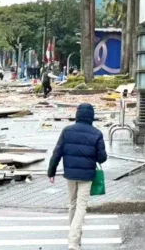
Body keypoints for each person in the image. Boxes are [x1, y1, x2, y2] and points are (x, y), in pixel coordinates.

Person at [48, 103, 107, 250]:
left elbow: (57, 153)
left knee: (72, 204)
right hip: (87, 176)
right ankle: (73, 242)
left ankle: (75, 238)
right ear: (91, 116)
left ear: (77, 114)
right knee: (81, 207)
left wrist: (51, 172)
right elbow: (102, 158)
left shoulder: (67, 131)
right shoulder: (96, 133)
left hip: (70, 175)